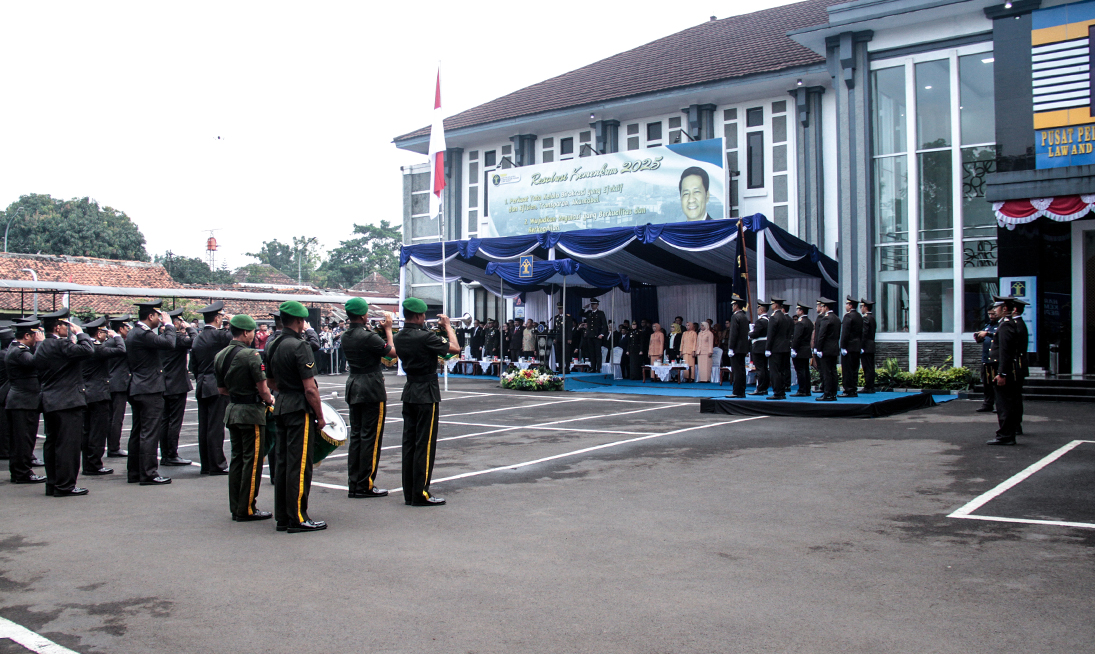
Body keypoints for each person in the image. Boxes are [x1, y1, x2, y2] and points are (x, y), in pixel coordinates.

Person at [266, 301, 327, 532]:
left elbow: (270, 382)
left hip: (282, 404)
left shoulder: (273, 344)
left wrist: (287, 389)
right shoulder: (300, 346)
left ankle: (283, 515)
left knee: (283, 463)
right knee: (300, 464)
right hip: (299, 408)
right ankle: (298, 517)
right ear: (300, 321)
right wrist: (320, 416)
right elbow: (310, 389)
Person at [392, 297, 460, 506]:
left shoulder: (399, 336)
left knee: (409, 443)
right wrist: (448, 326)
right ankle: (420, 493)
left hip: (410, 389)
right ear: (419, 316)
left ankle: (410, 492)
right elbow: (455, 348)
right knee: (424, 443)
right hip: (426, 392)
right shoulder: (425, 336)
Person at [214, 314, 276, 521]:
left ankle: (237, 506)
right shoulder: (250, 355)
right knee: (252, 461)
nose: (253, 336)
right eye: (252, 332)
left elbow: (222, 390)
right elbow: (263, 389)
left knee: (237, 460)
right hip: (251, 413)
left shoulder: (220, 355)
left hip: (233, 410)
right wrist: (270, 400)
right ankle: (247, 508)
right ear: (246, 332)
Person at [35, 309, 96, 496]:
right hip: (68, 401)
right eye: (65, 326)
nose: (67, 329)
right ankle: (65, 485)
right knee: (68, 445)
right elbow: (88, 350)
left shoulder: (42, 346)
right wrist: (81, 333)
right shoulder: (61, 345)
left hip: (50, 400)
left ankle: (53, 483)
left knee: (52, 443)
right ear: (57, 327)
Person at [341, 297, 395, 499]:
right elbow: (391, 353)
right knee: (370, 437)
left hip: (354, 385)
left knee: (356, 436)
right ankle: (365, 484)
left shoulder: (346, 335)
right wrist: (388, 330)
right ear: (363, 315)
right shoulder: (367, 336)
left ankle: (354, 482)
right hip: (371, 387)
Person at [126, 300, 177, 486]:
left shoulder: (134, 332)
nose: (159, 319)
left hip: (138, 386)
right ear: (150, 316)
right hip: (149, 388)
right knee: (149, 432)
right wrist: (169, 325)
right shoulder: (143, 334)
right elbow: (169, 343)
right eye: (157, 316)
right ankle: (148, 473)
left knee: (138, 431)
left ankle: (134, 471)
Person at [190, 301, 233, 475]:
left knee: (204, 426)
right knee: (215, 427)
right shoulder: (218, 336)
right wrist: (233, 320)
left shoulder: (198, 337)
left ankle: (206, 464)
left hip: (202, 384)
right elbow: (237, 335)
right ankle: (217, 464)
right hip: (215, 385)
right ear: (217, 318)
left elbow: (193, 366)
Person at [80, 317, 123, 477]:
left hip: (87, 392)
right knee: (97, 431)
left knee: (87, 431)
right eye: (104, 332)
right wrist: (116, 336)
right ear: (99, 334)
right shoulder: (97, 348)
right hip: (98, 393)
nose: (106, 335)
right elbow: (121, 350)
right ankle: (94, 464)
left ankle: (88, 463)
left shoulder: (85, 347)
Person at [6, 320, 45, 484]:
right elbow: (36, 362)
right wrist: (42, 344)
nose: (37, 338)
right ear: (27, 336)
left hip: (22, 401)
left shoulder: (16, 349)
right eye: (35, 335)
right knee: (24, 440)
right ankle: (23, 473)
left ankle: (19, 472)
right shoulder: (19, 351)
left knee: (21, 440)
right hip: (23, 402)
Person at [160, 308, 195, 468]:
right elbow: (196, 341)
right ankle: (171, 454)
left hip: (163, 383)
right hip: (177, 384)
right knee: (174, 421)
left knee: (165, 421)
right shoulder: (178, 339)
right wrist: (189, 328)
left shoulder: (161, 338)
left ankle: (165, 453)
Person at [990, 297, 1023, 445]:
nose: (994, 310)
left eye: (997, 307)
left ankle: (1006, 435)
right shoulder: (1006, 324)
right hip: (1006, 369)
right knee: (1005, 403)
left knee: (1004, 404)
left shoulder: (1006, 326)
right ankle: (1007, 434)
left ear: (1004, 309)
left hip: (1005, 371)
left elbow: (1005, 351)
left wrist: (1002, 373)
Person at [105, 315, 131, 458]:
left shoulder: (108, 343)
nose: (128, 330)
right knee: (116, 418)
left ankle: (112, 446)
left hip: (110, 382)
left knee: (111, 417)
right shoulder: (119, 344)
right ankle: (114, 447)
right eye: (126, 327)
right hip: (119, 384)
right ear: (120, 329)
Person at [814, 298, 840, 402]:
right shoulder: (836, 318)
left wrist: (819, 349)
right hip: (834, 348)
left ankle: (827, 393)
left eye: (822, 306)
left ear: (826, 307)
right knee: (833, 371)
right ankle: (833, 393)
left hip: (826, 349)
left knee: (826, 372)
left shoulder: (826, 319)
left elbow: (821, 335)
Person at [765, 298, 792, 400]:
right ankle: (782, 391)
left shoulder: (774, 317)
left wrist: (768, 348)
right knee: (782, 371)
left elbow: (771, 334)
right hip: (784, 347)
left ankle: (777, 392)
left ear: (775, 305)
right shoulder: (785, 317)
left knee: (775, 371)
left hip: (775, 348)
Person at [974, 309, 999, 413]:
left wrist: (987, 334)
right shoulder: (988, 325)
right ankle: (988, 404)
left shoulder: (1001, 325)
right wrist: (978, 337)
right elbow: (982, 338)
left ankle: (999, 405)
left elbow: (998, 336)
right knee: (987, 383)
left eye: (993, 314)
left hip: (996, 359)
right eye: (989, 314)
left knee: (996, 384)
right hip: (986, 359)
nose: (991, 316)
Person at [838, 296, 863, 398]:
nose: (846, 306)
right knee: (854, 369)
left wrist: (842, 346)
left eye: (847, 304)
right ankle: (853, 389)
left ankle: (848, 390)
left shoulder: (848, 316)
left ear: (850, 305)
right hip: (856, 346)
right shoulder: (859, 316)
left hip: (849, 347)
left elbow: (845, 333)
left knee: (847, 369)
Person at [727, 296, 750, 397]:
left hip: (736, 347)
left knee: (736, 370)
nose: (732, 307)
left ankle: (736, 391)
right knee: (741, 370)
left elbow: (734, 333)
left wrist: (731, 347)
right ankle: (742, 390)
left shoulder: (735, 317)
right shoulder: (744, 316)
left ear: (736, 306)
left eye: (733, 305)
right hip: (743, 347)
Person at [791, 303, 814, 397]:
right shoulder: (809, 322)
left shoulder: (800, 323)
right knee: (805, 370)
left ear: (801, 311)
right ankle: (807, 389)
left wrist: (794, 348)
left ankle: (802, 390)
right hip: (806, 349)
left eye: (798, 310)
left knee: (800, 371)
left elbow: (797, 337)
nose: (797, 311)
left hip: (800, 350)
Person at [749, 300, 770, 395]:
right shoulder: (769, 320)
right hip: (766, 346)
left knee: (760, 369)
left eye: (758, 309)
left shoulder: (760, 321)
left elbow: (755, 334)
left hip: (759, 347)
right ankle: (764, 388)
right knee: (765, 368)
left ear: (761, 310)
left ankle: (760, 388)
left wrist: (750, 333)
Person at [859, 299, 877, 394]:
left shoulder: (865, 318)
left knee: (867, 367)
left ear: (865, 307)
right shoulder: (872, 318)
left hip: (866, 346)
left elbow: (864, 333)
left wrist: (861, 346)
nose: (861, 309)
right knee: (870, 367)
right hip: (871, 345)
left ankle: (868, 386)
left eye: (861, 307)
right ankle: (871, 386)